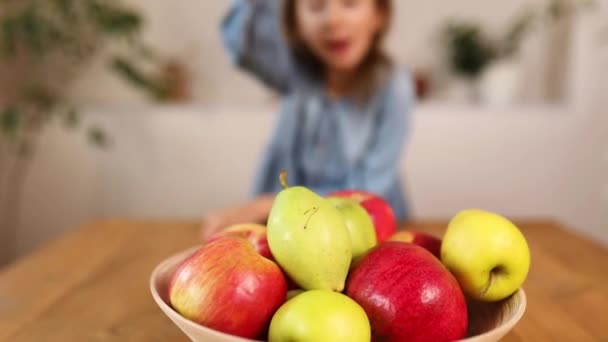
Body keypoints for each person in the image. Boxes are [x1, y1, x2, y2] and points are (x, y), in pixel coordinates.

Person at [202, 0, 415, 239]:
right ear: (295, 24)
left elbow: (368, 191)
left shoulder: (392, 85)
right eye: (315, 7)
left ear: (379, 15)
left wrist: (267, 205)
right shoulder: (294, 73)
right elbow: (243, 43)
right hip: (294, 230)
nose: (333, 20)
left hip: (372, 232)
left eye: (350, 3)